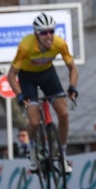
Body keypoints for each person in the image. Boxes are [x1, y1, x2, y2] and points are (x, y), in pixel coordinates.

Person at [7, 12, 79, 173]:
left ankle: (61, 154)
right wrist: (20, 95)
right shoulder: (26, 46)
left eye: (51, 31)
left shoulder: (59, 44)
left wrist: (73, 86)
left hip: (48, 75)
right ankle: (31, 151)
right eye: (44, 33)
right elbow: (11, 75)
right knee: (33, 121)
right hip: (27, 78)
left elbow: (73, 67)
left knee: (64, 114)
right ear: (36, 34)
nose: (49, 36)